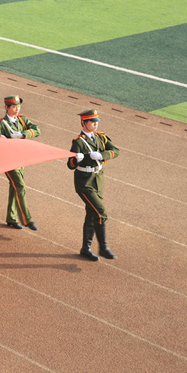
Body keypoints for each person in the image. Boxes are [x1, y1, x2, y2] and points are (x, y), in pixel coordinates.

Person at [66, 109, 120, 261]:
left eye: (97, 121)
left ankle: (86, 248)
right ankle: (103, 247)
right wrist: (76, 159)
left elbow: (115, 151)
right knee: (101, 213)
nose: (96, 124)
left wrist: (102, 155)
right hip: (84, 182)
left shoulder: (100, 137)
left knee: (91, 214)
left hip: (98, 180)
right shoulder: (78, 142)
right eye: (92, 122)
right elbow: (70, 165)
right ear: (84, 123)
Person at [0, 95, 41, 231]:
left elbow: (37, 130)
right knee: (20, 186)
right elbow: (0, 143)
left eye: (18, 106)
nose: (17, 109)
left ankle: (11, 217)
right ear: (7, 107)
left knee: (14, 187)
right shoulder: (1, 124)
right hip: (8, 160)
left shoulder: (22, 120)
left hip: (20, 158)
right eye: (14, 107)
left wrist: (23, 134)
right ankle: (27, 219)